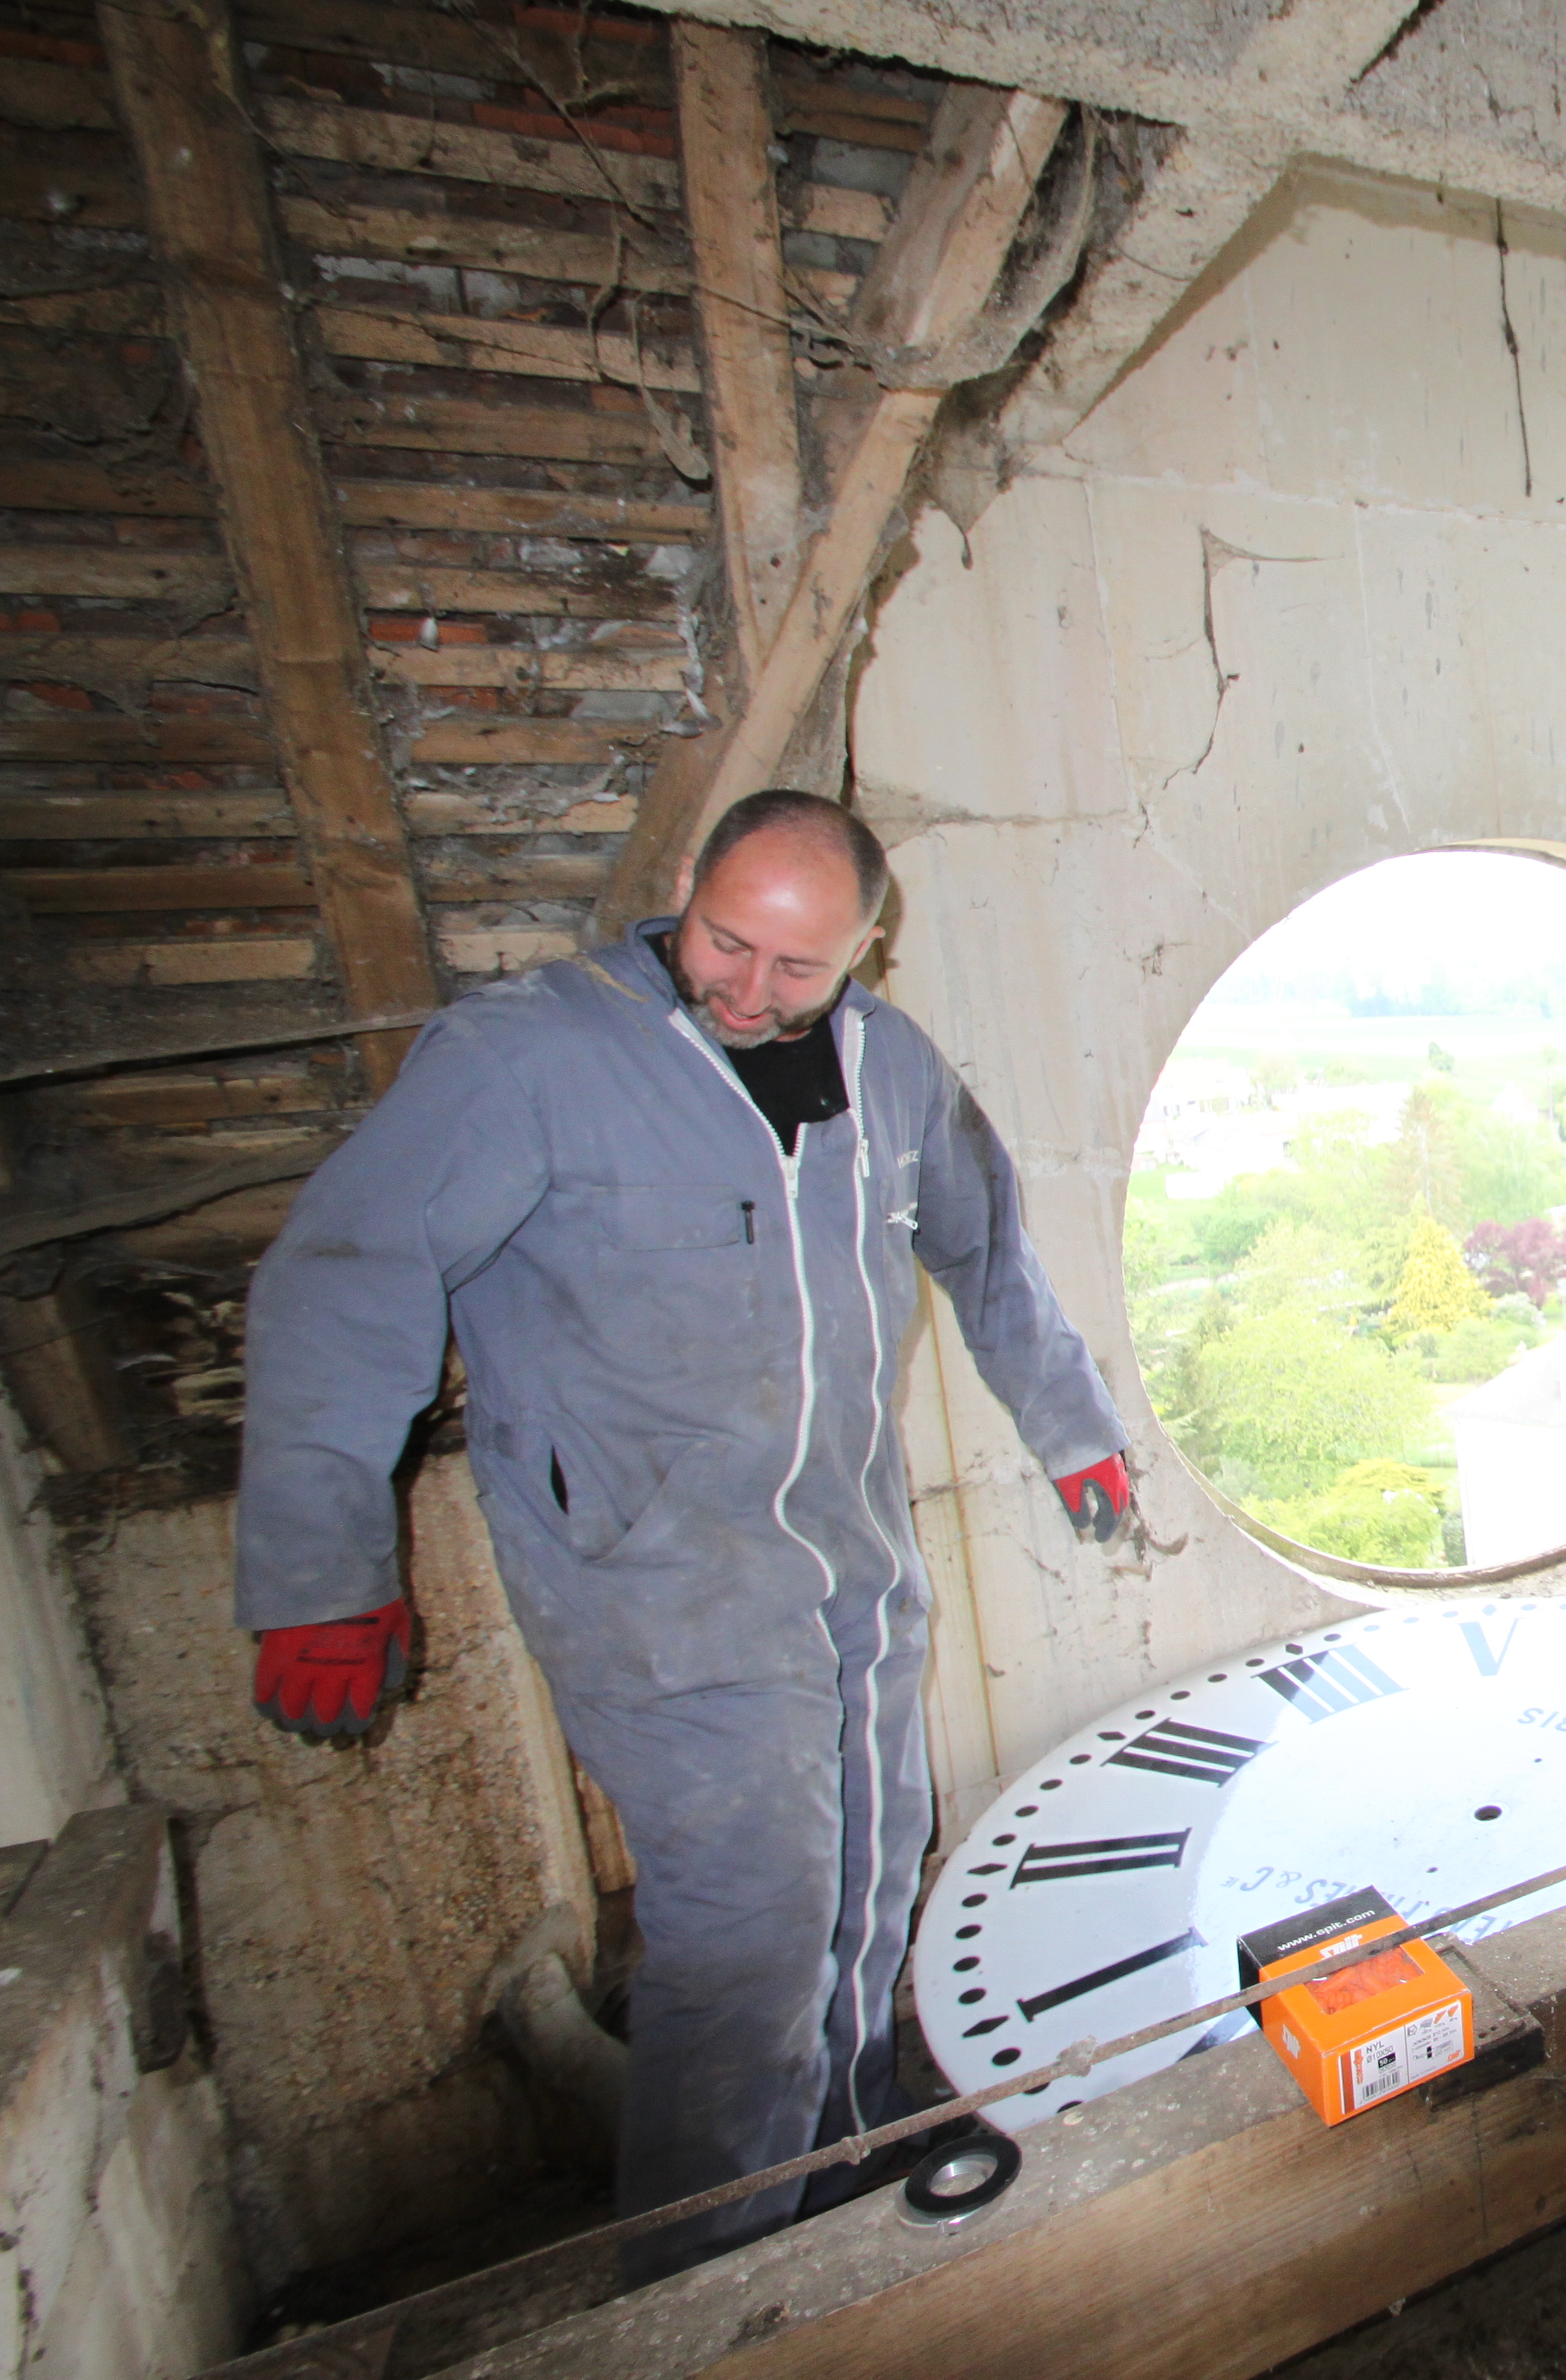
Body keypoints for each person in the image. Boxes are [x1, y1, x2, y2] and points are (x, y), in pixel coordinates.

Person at [232, 790, 1132, 2276]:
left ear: (866, 952)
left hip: (849, 1574)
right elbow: (346, 1280)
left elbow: (987, 1246)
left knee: (866, 1886)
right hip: (657, 1594)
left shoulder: (886, 1064)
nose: (749, 991)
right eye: (726, 942)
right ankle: (705, 2287)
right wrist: (321, 1573)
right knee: (747, 1946)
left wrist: (1071, 1427)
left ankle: (844, 2161)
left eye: (798, 970)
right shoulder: (528, 1060)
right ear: (682, 891)